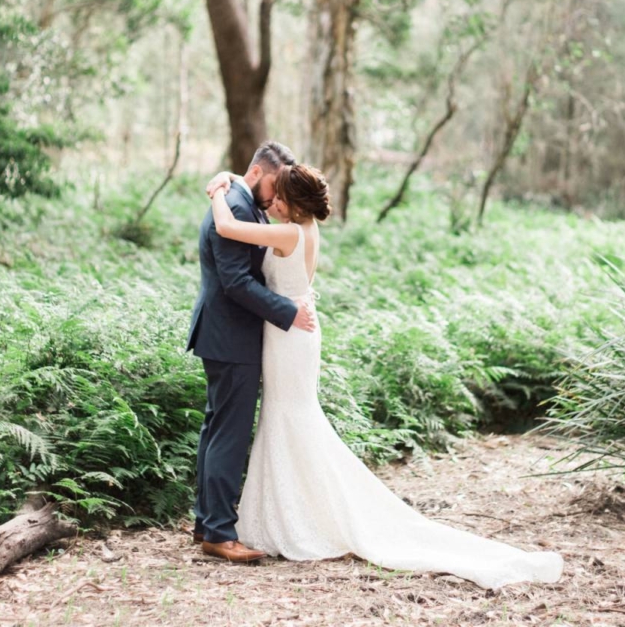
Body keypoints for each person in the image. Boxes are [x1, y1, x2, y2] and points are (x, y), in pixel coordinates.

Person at [203, 163, 564, 590]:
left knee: (290, 417)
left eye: (280, 198)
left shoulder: (288, 233)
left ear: (296, 204)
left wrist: (218, 187)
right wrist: (232, 178)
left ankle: (307, 516)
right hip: (293, 331)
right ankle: (288, 513)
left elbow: (226, 227)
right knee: (288, 418)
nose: (272, 204)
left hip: (290, 335)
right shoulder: (304, 231)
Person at [188, 141, 318, 563]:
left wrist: (222, 181)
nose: (278, 199)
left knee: (216, 429)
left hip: (228, 335)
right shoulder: (240, 206)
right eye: (276, 187)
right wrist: (287, 312)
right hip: (232, 336)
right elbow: (236, 282)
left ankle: (209, 524)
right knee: (228, 433)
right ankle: (220, 534)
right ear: (259, 173)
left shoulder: (243, 201)